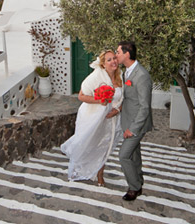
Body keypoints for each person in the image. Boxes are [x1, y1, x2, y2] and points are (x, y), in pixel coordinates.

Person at [60, 50, 123, 186]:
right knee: (89, 144)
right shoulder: (96, 77)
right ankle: (80, 168)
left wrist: (117, 110)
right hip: (93, 118)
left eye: (114, 58)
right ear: (103, 64)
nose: (113, 61)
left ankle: (100, 174)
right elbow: (81, 96)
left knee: (104, 147)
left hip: (111, 120)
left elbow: (124, 98)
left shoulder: (120, 76)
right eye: (109, 60)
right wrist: (100, 100)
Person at [115, 40, 153, 201]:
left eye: (118, 52)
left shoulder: (142, 75)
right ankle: (139, 180)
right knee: (134, 154)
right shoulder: (127, 72)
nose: (116, 55)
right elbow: (129, 98)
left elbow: (145, 107)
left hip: (137, 123)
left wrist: (133, 128)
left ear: (127, 54)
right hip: (128, 120)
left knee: (124, 155)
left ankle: (134, 187)